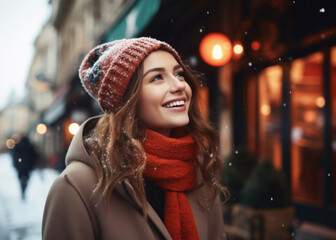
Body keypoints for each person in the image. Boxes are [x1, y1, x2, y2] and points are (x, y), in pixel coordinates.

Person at [42, 37, 228, 240]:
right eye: (157, 78)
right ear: (126, 101)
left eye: (179, 74)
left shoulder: (198, 170)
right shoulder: (77, 187)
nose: (179, 85)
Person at [11, 135, 38, 200]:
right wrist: (32, 165)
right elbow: (34, 157)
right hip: (28, 167)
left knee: (21, 179)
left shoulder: (18, 146)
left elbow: (15, 156)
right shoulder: (30, 146)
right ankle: (24, 189)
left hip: (20, 167)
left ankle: (22, 190)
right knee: (26, 179)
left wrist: (16, 164)